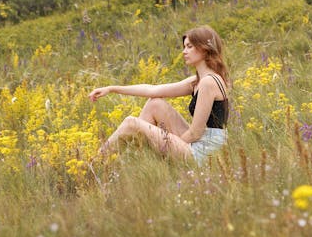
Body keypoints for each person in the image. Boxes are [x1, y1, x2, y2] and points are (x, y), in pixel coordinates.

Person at [89, 25, 229, 166]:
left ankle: (96, 164)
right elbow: (153, 90)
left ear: (204, 48)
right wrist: (112, 89)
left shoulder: (208, 82)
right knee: (155, 104)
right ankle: (132, 160)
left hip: (205, 153)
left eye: (189, 47)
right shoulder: (197, 81)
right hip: (200, 142)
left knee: (131, 123)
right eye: (184, 46)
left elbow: (195, 133)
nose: (184, 51)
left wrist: (168, 143)